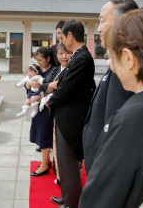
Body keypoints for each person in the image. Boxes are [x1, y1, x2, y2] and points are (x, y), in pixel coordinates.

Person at [79, 10, 143, 208]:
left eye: (112, 58)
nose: (112, 67)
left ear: (128, 59)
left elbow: (100, 200)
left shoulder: (133, 121)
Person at [82, 0, 138, 174]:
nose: (99, 28)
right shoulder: (116, 63)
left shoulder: (126, 69)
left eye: (103, 21)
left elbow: (115, 129)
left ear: (122, 23)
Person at [48, 20, 96, 208]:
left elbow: (65, 88)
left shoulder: (82, 57)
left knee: (68, 161)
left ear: (70, 36)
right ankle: (68, 196)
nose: (62, 40)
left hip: (71, 117)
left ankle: (71, 202)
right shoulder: (78, 56)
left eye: (63, 36)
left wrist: (49, 100)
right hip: (67, 114)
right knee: (64, 161)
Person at [39, 43, 72, 191]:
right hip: (56, 113)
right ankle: (60, 177)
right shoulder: (58, 70)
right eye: (60, 54)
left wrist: (50, 99)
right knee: (57, 146)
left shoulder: (72, 70)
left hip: (67, 113)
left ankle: (66, 181)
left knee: (66, 149)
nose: (64, 57)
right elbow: (47, 85)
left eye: (67, 53)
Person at [28, 47, 55, 176]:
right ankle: (46, 160)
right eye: (37, 60)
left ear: (48, 58)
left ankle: (44, 165)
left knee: (45, 134)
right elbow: (28, 83)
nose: (39, 63)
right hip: (39, 107)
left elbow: (49, 89)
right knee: (39, 132)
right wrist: (29, 84)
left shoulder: (54, 71)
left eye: (41, 60)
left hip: (47, 108)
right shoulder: (39, 70)